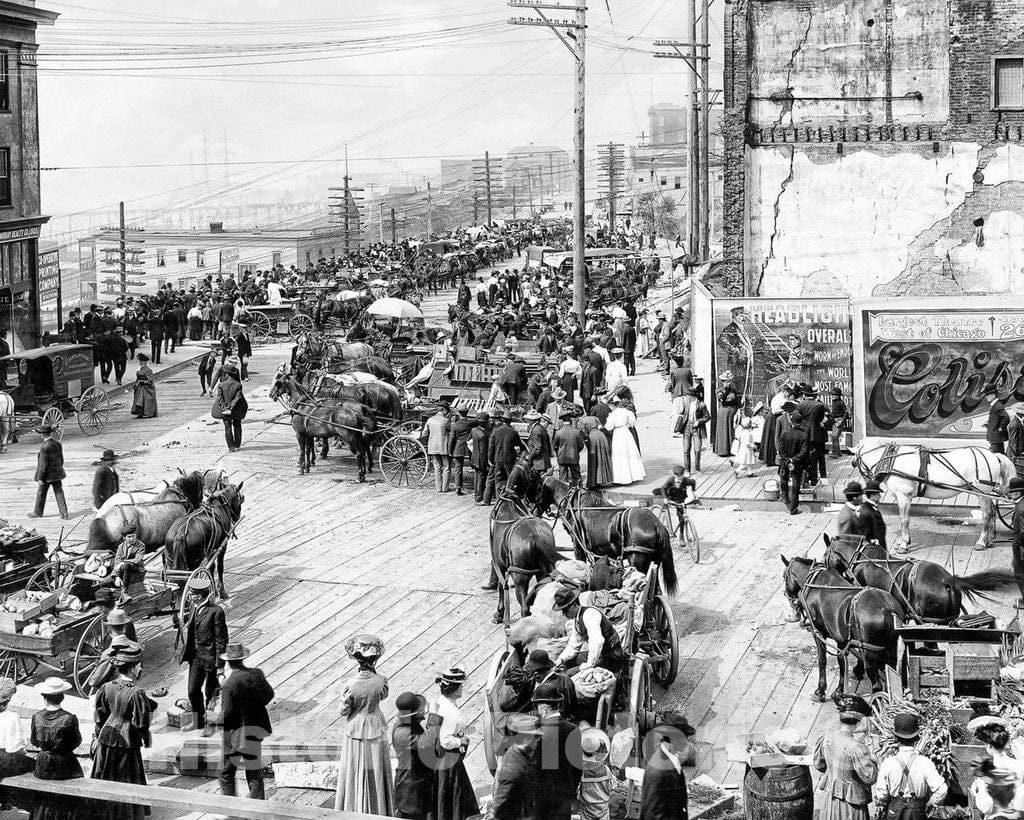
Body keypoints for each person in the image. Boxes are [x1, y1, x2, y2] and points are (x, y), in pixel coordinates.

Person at [91, 641, 155, 820]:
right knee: (127, 779)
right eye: (138, 665)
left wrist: (98, 734)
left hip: (106, 739)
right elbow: (141, 723)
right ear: (133, 668)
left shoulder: (106, 687)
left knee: (106, 777)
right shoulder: (136, 693)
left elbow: (100, 715)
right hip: (127, 743)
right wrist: (145, 739)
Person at [334, 634, 393, 814]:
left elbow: (343, 710)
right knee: (377, 767)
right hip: (376, 725)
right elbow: (383, 695)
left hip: (356, 728)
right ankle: (379, 808)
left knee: (354, 769)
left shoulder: (351, 684)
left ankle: (354, 807)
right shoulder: (381, 680)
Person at [218, 643, 274, 800]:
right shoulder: (257, 674)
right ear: (243, 658)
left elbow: (227, 714)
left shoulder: (229, 684)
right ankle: (258, 812)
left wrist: (214, 721)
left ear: (228, 662)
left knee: (226, 773)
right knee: (254, 773)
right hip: (255, 731)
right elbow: (269, 695)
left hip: (235, 736)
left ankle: (232, 810)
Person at [813, 694, 877, 820]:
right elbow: (870, 777)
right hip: (852, 805)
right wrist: (873, 756)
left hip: (831, 798)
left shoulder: (826, 737)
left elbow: (818, 764)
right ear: (858, 722)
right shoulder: (856, 748)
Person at [874, 712, 948, 819]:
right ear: (916, 738)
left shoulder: (888, 763)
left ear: (895, 738)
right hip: (917, 812)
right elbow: (942, 789)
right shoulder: (924, 762)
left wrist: (882, 802)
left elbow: (881, 795)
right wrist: (930, 803)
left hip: (894, 812)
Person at [30, 676, 85, 820]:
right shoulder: (69, 718)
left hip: (43, 765)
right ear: (62, 697)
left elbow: (34, 741)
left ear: (44, 697)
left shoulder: (36, 717)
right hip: (65, 765)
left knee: (44, 797)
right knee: (67, 800)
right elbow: (77, 741)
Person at [428, 667, 479, 820]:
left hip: (437, 756)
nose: (463, 688)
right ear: (454, 689)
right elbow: (446, 741)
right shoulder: (448, 710)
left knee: (441, 793)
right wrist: (461, 740)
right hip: (448, 758)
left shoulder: (438, 701)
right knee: (454, 795)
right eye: (461, 685)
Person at [180, 575, 228, 735]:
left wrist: (220, 668)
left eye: (191, 594)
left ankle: (210, 724)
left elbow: (222, 641)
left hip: (210, 659)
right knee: (193, 690)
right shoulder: (194, 607)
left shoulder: (216, 612)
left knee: (211, 692)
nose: (188, 596)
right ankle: (198, 720)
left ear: (199, 596)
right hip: (195, 657)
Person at [533, 683, 582, 820]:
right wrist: (569, 792)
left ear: (544, 709)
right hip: (563, 799)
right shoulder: (573, 729)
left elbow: (536, 770)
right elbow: (578, 767)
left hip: (542, 801)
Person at [553, 587, 625, 675]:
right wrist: (561, 659)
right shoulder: (578, 620)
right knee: (569, 662)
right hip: (601, 654)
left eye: (565, 610)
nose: (564, 614)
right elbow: (573, 645)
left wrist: (589, 664)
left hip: (612, 657)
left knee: (569, 673)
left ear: (574, 605)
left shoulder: (589, 614)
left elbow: (597, 642)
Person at [489, 713, 542, 820]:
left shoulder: (525, 754)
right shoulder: (512, 769)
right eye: (534, 737)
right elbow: (501, 806)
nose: (538, 740)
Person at [392, 692, 433, 820]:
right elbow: (429, 741)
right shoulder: (403, 734)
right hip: (410, 788)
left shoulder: (406, 724)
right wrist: (434, 717)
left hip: (417, 784)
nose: (423, 713)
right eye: (420, 711)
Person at [640, 718, 690, 819]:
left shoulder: (672, 760)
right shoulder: (657, 770)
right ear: (675, 740)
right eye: (684, 738)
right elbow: (651, 814)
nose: (686, 742)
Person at [28, 425, 68, 519]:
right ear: (50, 433)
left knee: (41, 493)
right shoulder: (58, 444)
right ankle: (64, 513)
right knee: (59, 492)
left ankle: (38, 513)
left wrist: (41, 478)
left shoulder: (44, 446)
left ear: (42, 435)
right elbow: (61, 460)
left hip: (46, 476)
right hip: (57, 473)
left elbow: (42, 465)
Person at [605, 395, 645, 485]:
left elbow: (608, 427)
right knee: (630, 453)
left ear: (613, 405)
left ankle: (621, 478)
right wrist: (626, 425)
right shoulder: (626, 411)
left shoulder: (613, 414)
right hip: (626, 432)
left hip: (617, 434)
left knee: (619, 455)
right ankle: (633, 476)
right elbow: (633, 421)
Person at [778, 411, 811, 515]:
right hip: (797, 463)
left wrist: (787, 460)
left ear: (791, 422)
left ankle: (784, 496)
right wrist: (793, 460)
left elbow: (781, 450)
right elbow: (804, 451)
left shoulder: (784, 434)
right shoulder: (804, 435)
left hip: (785, 461)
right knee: (796, 483)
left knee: (783, 477)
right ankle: (793, 508)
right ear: (801, 423)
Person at [486, 413, 523, 504]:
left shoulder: (496, 431)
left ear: (502, 420)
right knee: (510, 480)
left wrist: (490, 459)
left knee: (498, 480)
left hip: (497, 459)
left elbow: (491, 446)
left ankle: (498, 501)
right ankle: (509, 500)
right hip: (509, 459)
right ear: (511, 421)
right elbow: (518, 445)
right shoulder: (513, 432)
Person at [578, 727, 613, 820]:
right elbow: (612, 787)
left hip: (587, 810)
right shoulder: (606, 769)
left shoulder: (582, 771)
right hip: (603, 810)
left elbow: (577, 791)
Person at [212, 361, 247, 453]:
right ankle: (237, 445)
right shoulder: (238, 385)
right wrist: (231, 407)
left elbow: (219, 399)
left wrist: (225, 409)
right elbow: (238, 397)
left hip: (225, 411)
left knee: (227, 427)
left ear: (227, 374)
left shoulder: (221, 385)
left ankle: (230, 447)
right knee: (237, 425)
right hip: (236, 410)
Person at [660, 466, 699, 543]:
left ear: (683, 474)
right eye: (678, 477)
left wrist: (694, 492)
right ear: (674, 475)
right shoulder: (671, 479)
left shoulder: (686, 480)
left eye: (681, 476)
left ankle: (682, 535)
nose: (680, 479)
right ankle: (678, 535)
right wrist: (665, 498)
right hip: (671, 497)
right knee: (676, 515)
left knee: (682, 517)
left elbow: (693, 482)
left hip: (681, 499)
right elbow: (663, 488)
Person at [423, 404, 453, 494]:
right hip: (443, 447)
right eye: (447, 412)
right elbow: (451, 432)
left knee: (437, 466)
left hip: (433, 447)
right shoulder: (446, 421)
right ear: (444, 410)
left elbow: (424, 433)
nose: (447, 414)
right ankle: (445, 488)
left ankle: (438, 488)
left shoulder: (430, 420)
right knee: (446, 467)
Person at [678, 394, 710, 475]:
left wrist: (698, 422)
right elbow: (681, 413)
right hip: (687, 428)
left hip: (697, 429)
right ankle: (686, 470)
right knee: (686, 450)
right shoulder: (686, 402)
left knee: (697, 449)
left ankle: (697, 469)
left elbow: (707, 417)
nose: (687, 397)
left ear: (694, 396)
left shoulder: (701, 405)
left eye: (689, 395)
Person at [553, 414, 585, 485]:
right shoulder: (576, 432)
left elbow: (554, 446)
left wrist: (559, 453)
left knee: (563, 480)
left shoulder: (558, 433)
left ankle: (564, 494)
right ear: (570, 421)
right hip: (573, 457)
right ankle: (579, 493)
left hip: (562, 458)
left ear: (562, 421)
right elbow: (581, 445)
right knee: (577, 477)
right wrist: (576, 451)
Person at [582, 416, 613, 490]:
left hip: (592, 437)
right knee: (603, 456)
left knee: (593, 459)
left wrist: (585, 440)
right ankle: (602, 478)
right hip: (601, 435)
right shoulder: (595, 418)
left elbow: (584, 433)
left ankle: (593, 482)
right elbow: (600, 426)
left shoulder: (582, 421)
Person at [715, 373, 739, 457]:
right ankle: (723, 450)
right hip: (724, 411)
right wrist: (726, 390)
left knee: (731, 430)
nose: (728, 383)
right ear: (723, 381)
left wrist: (738, 409)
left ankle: (732, 450)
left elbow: (736, 400)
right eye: (726, 381)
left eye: (729, 381)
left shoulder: (733, 390)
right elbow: (721, 400)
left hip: (732, 411)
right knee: (724, 429)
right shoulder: (719, 390)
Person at [470, 411, 491, 505]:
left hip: (474, 457)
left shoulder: (474, 430)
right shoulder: (484, 435)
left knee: (476, 477)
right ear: (485, 423)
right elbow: (483, 451)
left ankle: (476, 496)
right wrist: (486, 462)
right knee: (481, 478)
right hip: (480, 459)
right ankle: (479, 498)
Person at [860, 480, 888, 548]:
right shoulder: (866, 510)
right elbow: (865, 534)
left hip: (880, 548)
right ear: (872, 495)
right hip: (873, 549)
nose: (880, 496)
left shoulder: (872, 507)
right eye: (878, 494)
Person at [129, 353, 158, 419]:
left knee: (143, 401)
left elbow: (150, 380)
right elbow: (138, 378)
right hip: (139, 387)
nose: (140, 362)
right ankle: (140, 414)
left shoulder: (147, 370)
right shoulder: (140, 369)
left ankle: (147, 413)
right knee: (138, 401)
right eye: (140, 361)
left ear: (144, 362)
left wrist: (143, 382)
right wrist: (136, 384)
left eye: (141, 361)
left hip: (146, 388)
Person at [1010, 478, 1024, 607]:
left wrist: (1016, 542)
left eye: (1014, 492)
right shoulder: (1021, 504)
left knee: (1019, 571)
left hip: (1021, 547)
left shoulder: (1020, 509)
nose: (1011, 495)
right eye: (1011, 492)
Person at [986, 386, 1011, 454]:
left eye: (987, 395)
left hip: (996, 437)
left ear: (993, 395)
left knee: (996, 456)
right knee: (999, 455)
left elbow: (1006, 418)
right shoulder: (995, 405)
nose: (986, 397)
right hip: (995, 437)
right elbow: (998, 418)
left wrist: (1001, 428)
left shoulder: (998, 406)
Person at [829, 387, 850, 457]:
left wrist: (841, 421)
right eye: (832, 395)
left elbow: (846, 413)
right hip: (834, 420)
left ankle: (836, 453)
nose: (832, 396)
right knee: (835, 436)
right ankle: (838, 452)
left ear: (838, 396)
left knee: (834, 436)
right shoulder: (834, 402)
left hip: (839, 420)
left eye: (834, 395)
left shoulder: (841, 403)